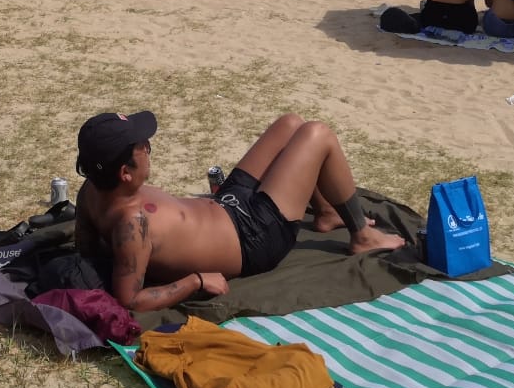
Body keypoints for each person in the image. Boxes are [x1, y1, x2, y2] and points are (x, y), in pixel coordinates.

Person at [74, 111, 405, 310]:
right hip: (254, 237)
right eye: (142, 147)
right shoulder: (133, 224)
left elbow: (86, 252)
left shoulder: (91, 190)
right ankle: (361, 233)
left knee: (291, 124)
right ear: (125, 173)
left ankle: (326, 212)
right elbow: (130, 300)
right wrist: (195, 280)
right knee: (318, 134)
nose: (148, 148)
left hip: (226, 205)